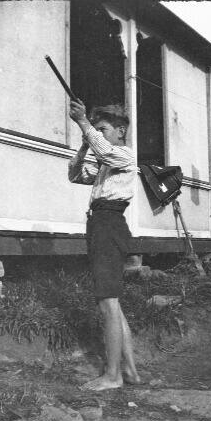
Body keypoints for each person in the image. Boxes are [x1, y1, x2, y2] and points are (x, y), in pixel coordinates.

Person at [68, 99, 141, 391]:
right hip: (102, 226)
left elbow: (106, 151)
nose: (97, 133)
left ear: (120, 131)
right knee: (115, 305)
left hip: (108, 226)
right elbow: (74, 174)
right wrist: (86, 142)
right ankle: (131, 372)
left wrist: (84, 123)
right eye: (96, 129)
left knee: (108, 303)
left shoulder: (124, 155)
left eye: (103, 128)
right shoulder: (104, 167)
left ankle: (113, 376)